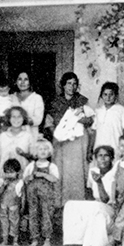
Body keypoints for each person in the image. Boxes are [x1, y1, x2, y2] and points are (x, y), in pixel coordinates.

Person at [46, 72, 94, 205]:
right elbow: (49, 122)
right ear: (63, 85)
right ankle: (60, 203)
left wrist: (80, 119)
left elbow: (90, 120)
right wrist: (56, 135)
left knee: (76, 170)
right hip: (61, 141)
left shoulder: (82, 101)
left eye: (74, 84)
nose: (71, 87)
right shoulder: (55, 102)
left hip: (78, 142)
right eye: (68, 83)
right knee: (61, 170)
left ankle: (77, 202)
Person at [62, 145, 116, 246]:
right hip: (97, 206)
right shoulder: (93, 171)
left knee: (96, 208)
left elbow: (106, 200)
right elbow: (90, 192)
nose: (103, 159)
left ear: (112, 158)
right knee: (70, 205)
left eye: (106, 156)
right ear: (95, 158)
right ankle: (74, 241)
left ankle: (97, 243)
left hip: (111, 209)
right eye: (100, 156)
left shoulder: (115, 173)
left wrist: (99, 183)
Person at [24, 139, 60, 246]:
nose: (43, 151)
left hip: (46, 196)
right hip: (33, 194)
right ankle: (34, 239)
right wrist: (29, 177)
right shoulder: (31, 165)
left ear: (49, 151)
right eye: (40, 149)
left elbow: (55, 179)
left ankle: (47, 239)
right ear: (35, 151)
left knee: (46, 215)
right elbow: (25, 178)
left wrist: (43, 175)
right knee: (33, 214)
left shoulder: (51, 166)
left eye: (45, 149)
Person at [89, 82, 124, 159]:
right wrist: (90, 149)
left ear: (115, 95)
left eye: (111, 94)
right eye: (105, 94)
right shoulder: (98, 111)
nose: (108, 97)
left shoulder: (121, 110)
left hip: (115, 149)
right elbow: (94, 132)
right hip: (99, 148)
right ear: (101, 96)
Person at [0, 106, 35, 174]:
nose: (16, 119)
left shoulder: (28, 136)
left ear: (23, 118)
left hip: (22, 175)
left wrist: (23, 154)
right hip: (4, 176)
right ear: (9, 118)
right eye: (13, 116)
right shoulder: (2, 136)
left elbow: (33, 158)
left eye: (19, 116)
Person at [0, 159, 24, 246]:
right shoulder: (2, 181)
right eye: (7, 172)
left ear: (17, 172)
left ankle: (15, 240)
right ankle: (4, 240)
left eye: (11, 172)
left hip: (14, 206)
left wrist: (22, 206)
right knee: (4, 222)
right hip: (3, 205)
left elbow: (22, 196)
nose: (9, 174)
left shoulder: (19, 182)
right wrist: (3, 185)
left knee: (14, 222)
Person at [13, 72, 44, 142]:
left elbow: (38, 119)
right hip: (13, 136)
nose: (22, 82)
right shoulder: (11, 97)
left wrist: (22, 120)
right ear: (16, 82)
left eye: (26, 79)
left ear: (30, 82)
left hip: (31, 136)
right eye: (20, 79)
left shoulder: (36, 98)